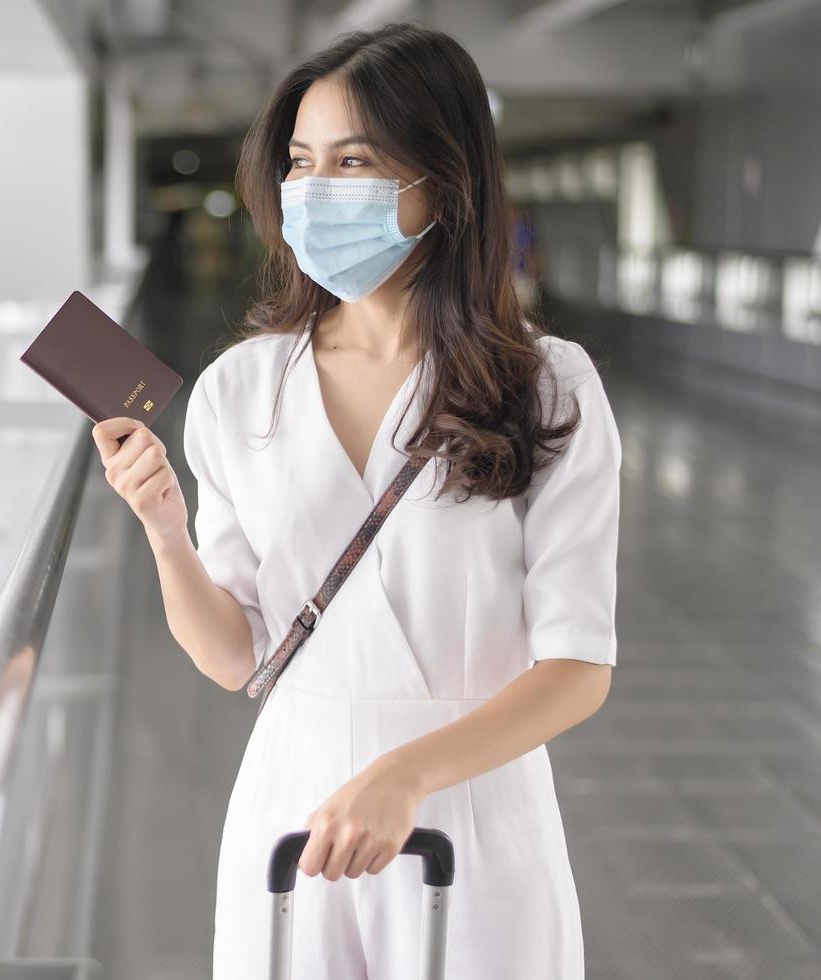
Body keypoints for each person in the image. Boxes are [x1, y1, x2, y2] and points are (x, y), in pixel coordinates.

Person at [89, 21, 620, 980]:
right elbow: (232, 655)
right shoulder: (242, 390)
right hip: (294, 803)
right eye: (300, 162)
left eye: (353, 161)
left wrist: (407, 773)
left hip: (471, 805)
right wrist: (165, 535)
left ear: (443, 182)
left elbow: (578, 666)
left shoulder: (548, 387)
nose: (315, 190)